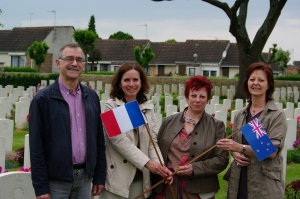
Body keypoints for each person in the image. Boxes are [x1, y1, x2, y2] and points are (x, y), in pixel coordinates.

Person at [29, 43, 106, 199]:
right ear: (58, 63)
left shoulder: (91, 97)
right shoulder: (42, 99)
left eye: (79, 60)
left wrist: (99, 175)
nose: (74, 64)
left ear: (83, 65)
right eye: (69, 59)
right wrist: (41, 187)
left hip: (85, 178)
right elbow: (36, 147)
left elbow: (98, 139)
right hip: (56, 181)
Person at [99, 62, 173, 199]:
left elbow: (152, 142)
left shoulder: (147, 107)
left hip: (140, 178)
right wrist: (148, 163)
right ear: (120, 83)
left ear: (141, 82)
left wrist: (161, 167)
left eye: (135, 80)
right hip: (118, 179)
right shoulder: (111, 106)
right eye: (126, 80)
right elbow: (118, 141)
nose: (131, 84)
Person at [216, 62, 287, 199]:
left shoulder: (276, 115)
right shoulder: (240, 114)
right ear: (246, 82)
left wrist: (239, 147)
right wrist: (234, 153)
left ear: (269, 85)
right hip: (239, 181)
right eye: (252, 79)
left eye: (261, 80)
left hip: (263, 185)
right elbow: (235, 144)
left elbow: (271, 151)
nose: (256, 83)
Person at [152, 75, 229, 199]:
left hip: (198, 191)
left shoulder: (216, 126)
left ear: (208, 99)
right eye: (193, 95)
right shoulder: (169, 122)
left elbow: (221, 159)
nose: (197, 100)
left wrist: (195, 168)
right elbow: (157, 150)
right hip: (167, 187)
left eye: (202, 96)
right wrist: (162, 170)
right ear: (187, 97)